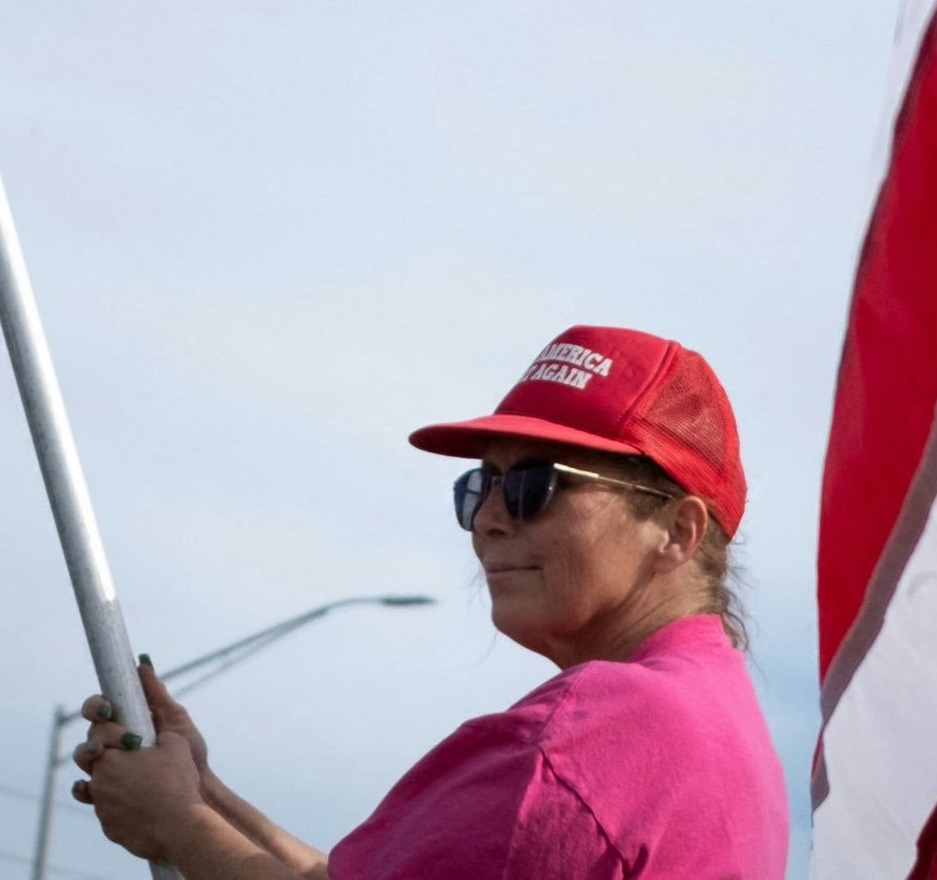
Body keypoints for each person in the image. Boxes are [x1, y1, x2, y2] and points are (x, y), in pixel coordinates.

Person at [72, 325, 789, 880]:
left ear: (677, 530)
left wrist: (172, 823)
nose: (490, 518)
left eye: (536, 484)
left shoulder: (597, 731)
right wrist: (200, 792)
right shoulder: (718, 726)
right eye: (481, 486)